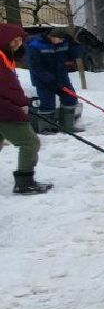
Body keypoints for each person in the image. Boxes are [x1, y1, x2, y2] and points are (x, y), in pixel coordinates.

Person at [0, 23, 51, 194]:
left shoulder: (5, 55)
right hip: (5, 109)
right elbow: (8, 87)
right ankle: (24, 183)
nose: (18, 43)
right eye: (14, 40)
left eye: (20, 40)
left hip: (5, 106)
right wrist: (22, 103)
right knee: (30, 143)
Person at [25, 25, 82, 135]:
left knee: (71, 99)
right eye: (59, 39)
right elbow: (35, 66)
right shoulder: (36, 46)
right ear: (52, 36)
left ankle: (67, 126)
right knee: (47, 104)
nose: (61, 41)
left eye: (63, 40)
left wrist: (74, 44)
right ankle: (46, 128)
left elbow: (74, 56)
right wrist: (49, 79)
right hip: (43, 81)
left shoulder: (64, 43)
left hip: (62, 78)